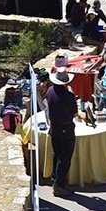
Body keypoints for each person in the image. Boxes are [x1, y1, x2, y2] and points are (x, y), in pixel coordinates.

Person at [46, 67, 85, 197]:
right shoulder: (68, 96)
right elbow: (75, 113)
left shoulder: (50, 91)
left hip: (54, 127)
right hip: (66, 129)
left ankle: (54, 180)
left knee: (56, 154)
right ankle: (59, 186)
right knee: (64, 158)